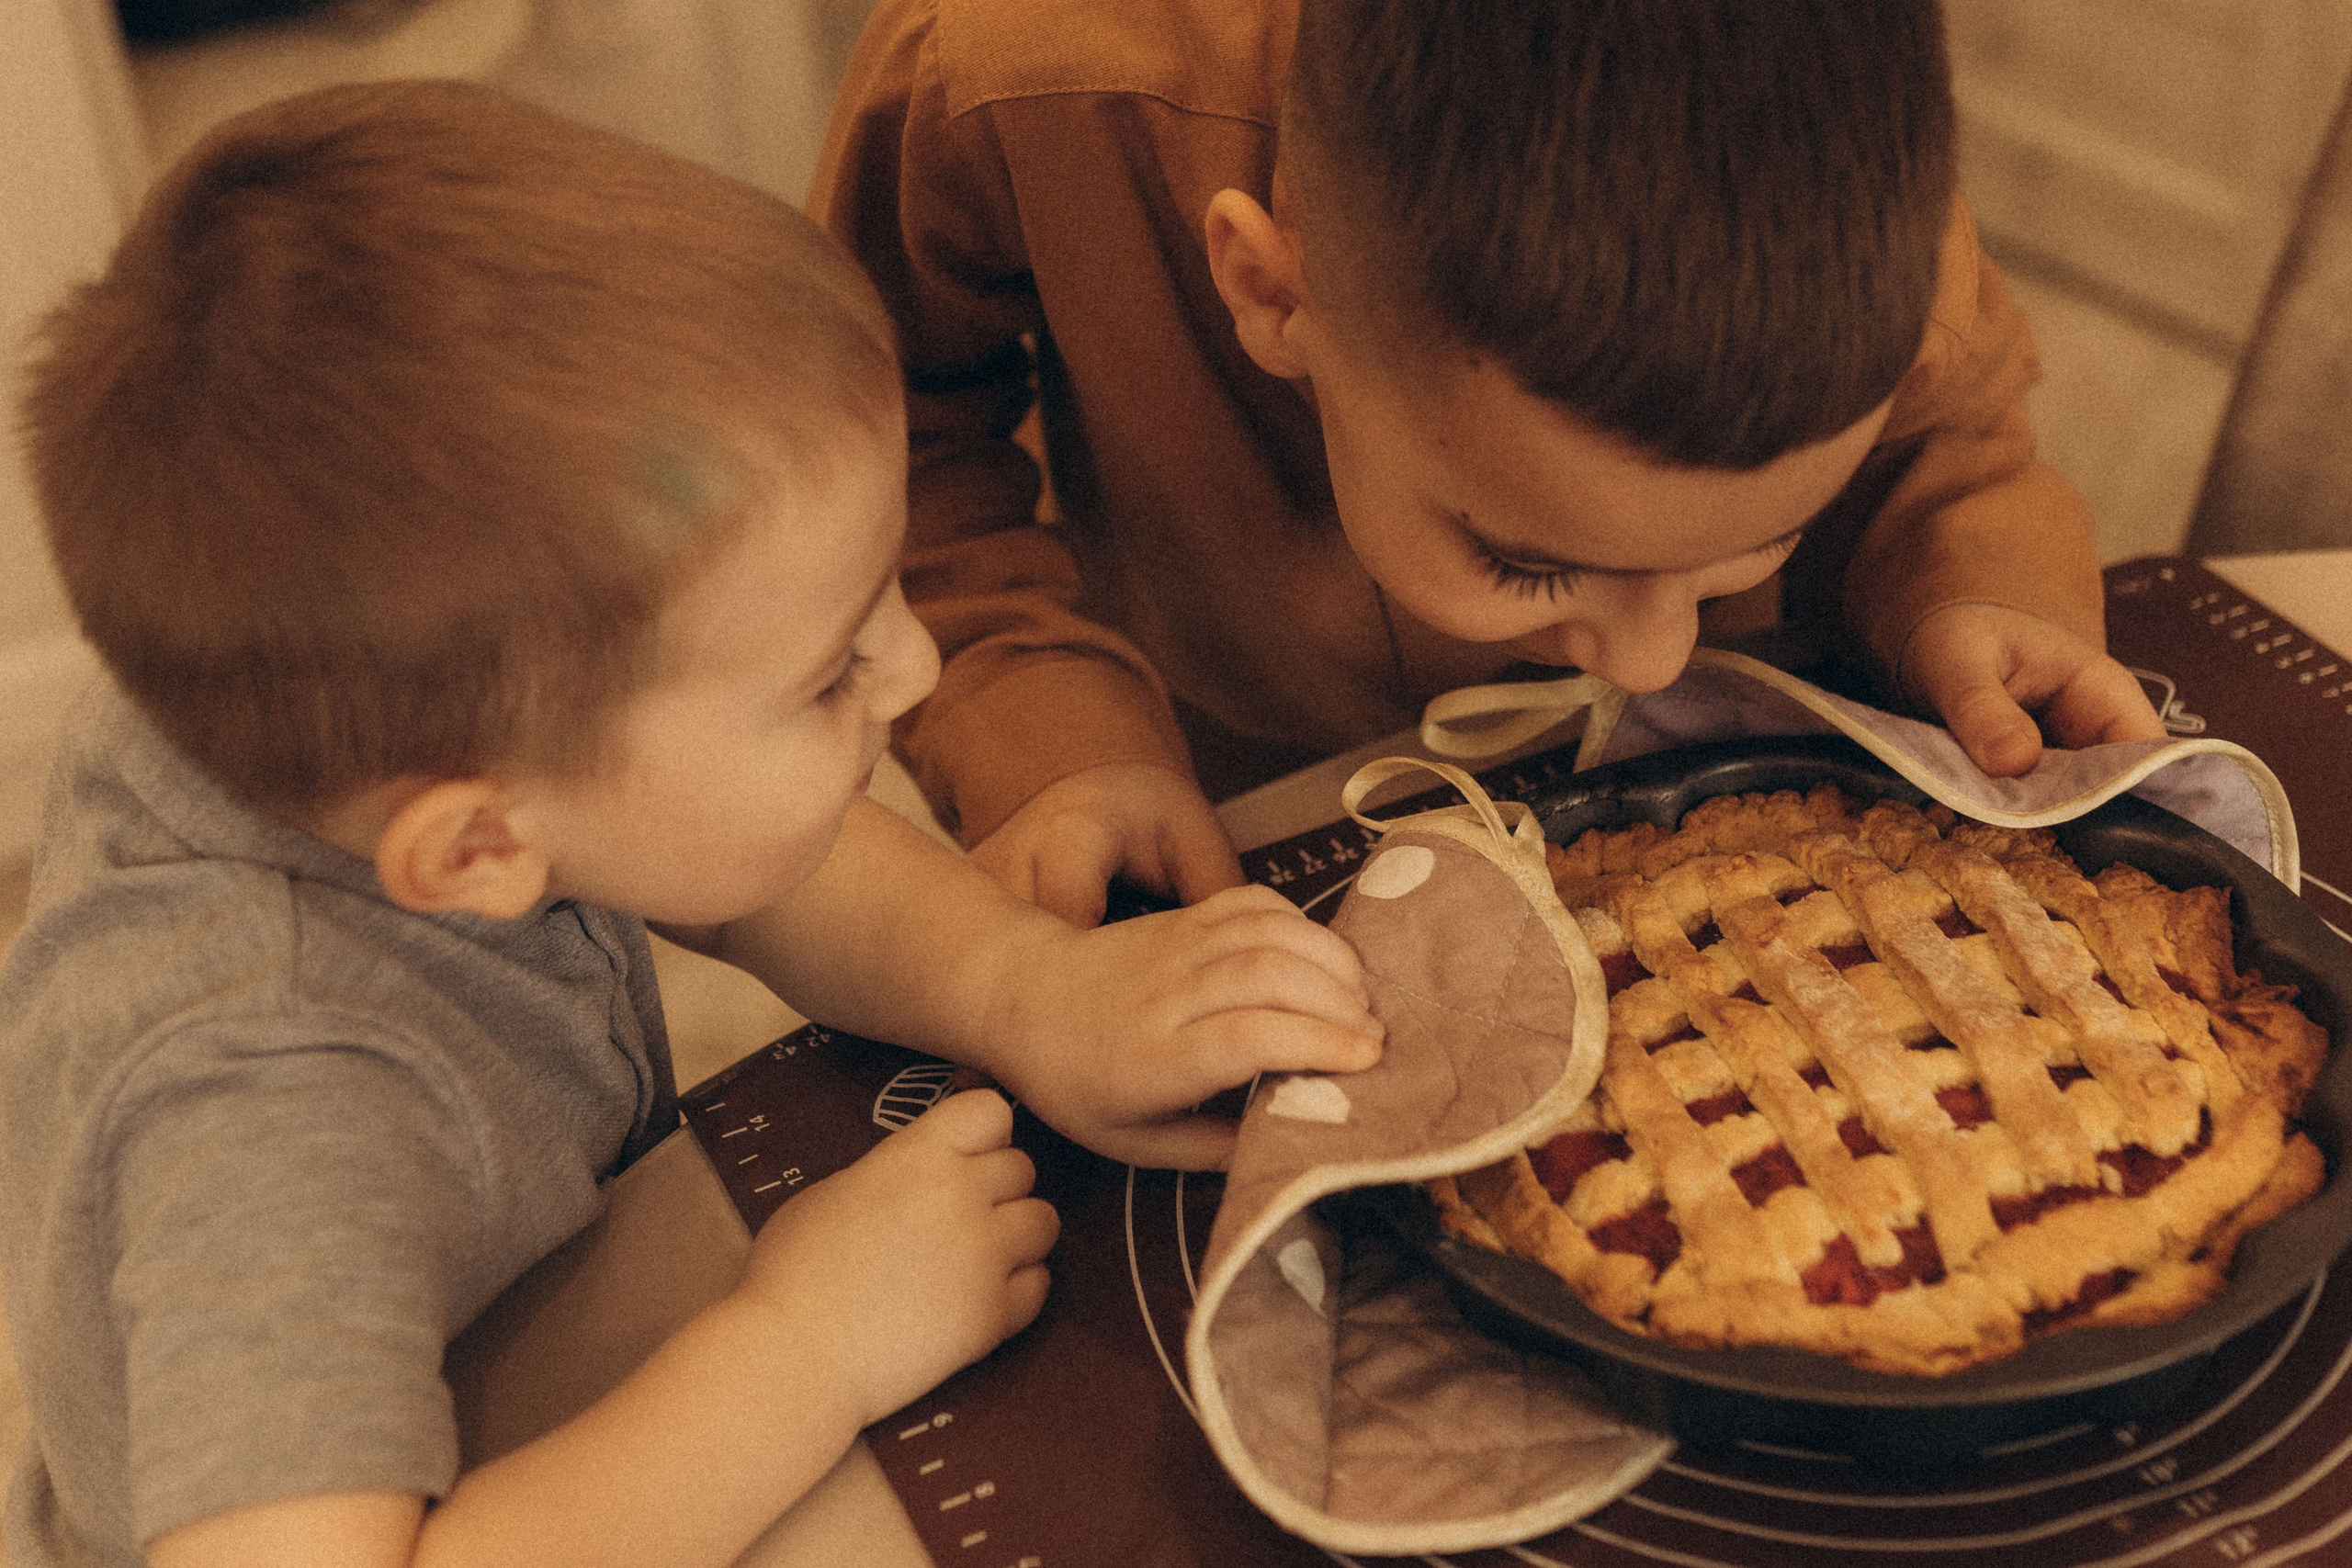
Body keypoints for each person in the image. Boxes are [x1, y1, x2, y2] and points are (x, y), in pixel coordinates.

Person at [0, 80, 1380, 1568]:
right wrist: (806, 1349)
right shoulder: (264, 1112)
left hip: (529, 1337)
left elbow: (729, 865)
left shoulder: (376, 702)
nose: (914, 671)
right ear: (475, 853)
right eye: (826, 675)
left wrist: (1021, 987)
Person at [811, 0, 2172, 929]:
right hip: (1225, 772)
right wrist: (1048, 741)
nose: (1647, 657)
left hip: (1737, 797)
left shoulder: (1848, 193)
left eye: (1752, 538)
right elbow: (884, 431)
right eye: (1527, 559)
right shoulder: (1012, 77)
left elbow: (1952, 445)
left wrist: (1974, 585)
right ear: (1273, 293)